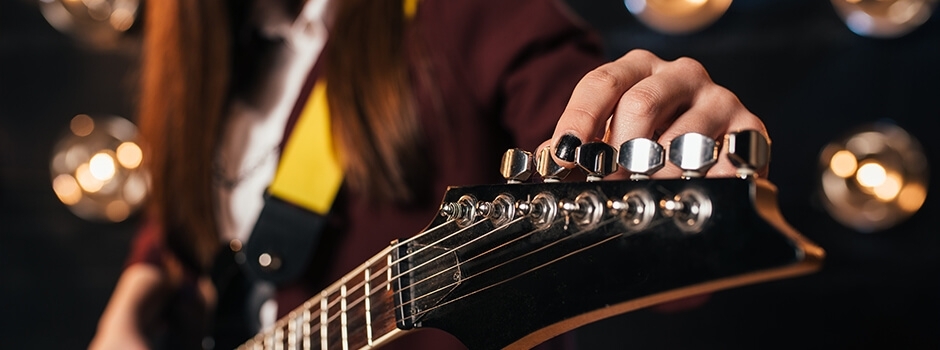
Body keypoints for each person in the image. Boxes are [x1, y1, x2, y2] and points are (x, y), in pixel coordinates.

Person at [89, 0, 766, 349]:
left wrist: (674, 141)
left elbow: (590, 151)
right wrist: (133, 292)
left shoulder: (467, 12)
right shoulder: (204, 56)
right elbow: (185, 219)